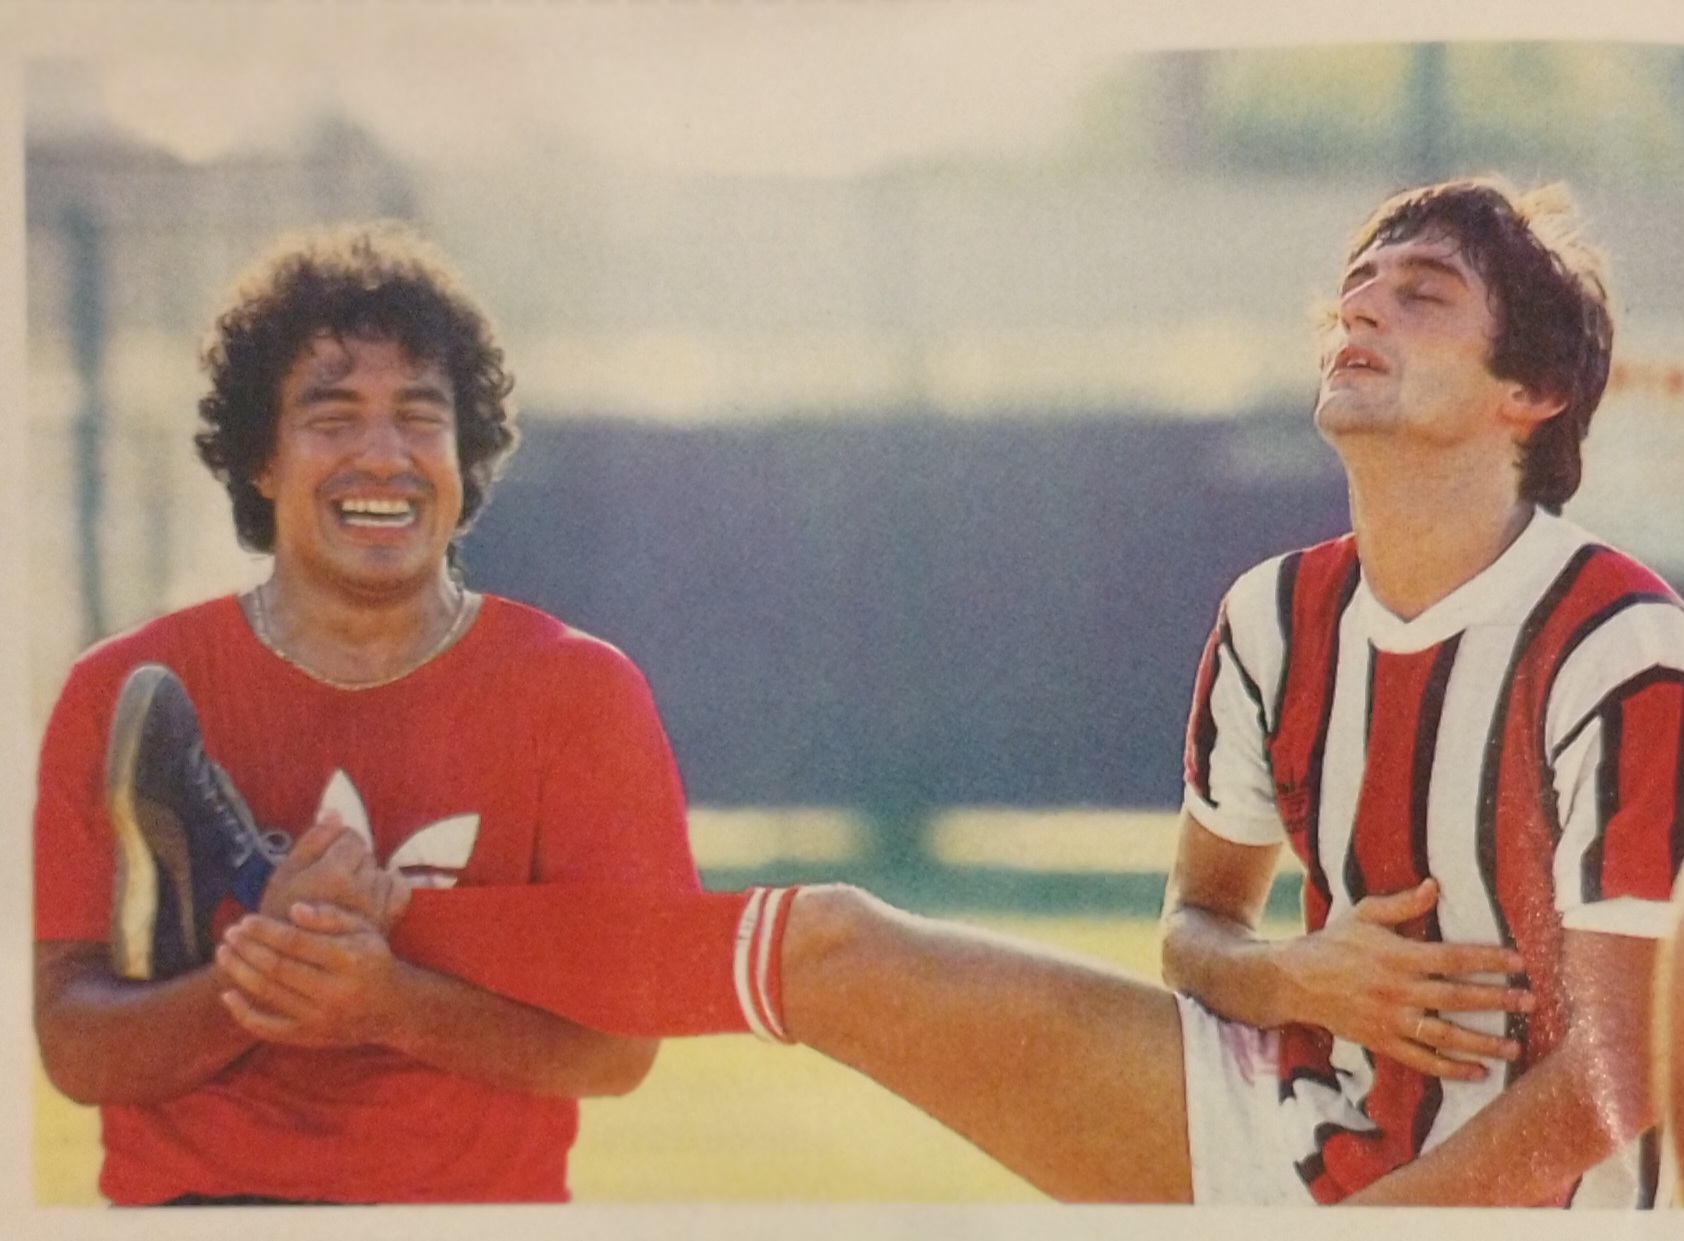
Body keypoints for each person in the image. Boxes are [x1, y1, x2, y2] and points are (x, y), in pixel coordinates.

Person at [190, 178, 1684, 1205]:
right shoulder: (1273, 617)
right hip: (1286, 1127)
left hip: (1533, 1197)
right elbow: (1197, 928)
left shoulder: (1617, 642)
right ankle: (380, 908)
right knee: (838, 942)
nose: (1358, 307)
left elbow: (1623, 1075)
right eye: (1353, 285)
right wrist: (1288, 980)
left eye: (1417, 295)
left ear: (1528, 394)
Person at [31, 223, 704, 1204]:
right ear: (260, 459)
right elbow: (77, 1052)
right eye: (332, 416)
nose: (382, 455)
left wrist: (386, 1000)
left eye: (420, 417)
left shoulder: (577, 692)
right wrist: (265, 970)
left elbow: (617, 1047)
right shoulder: (123, 687)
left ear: (464, 457)